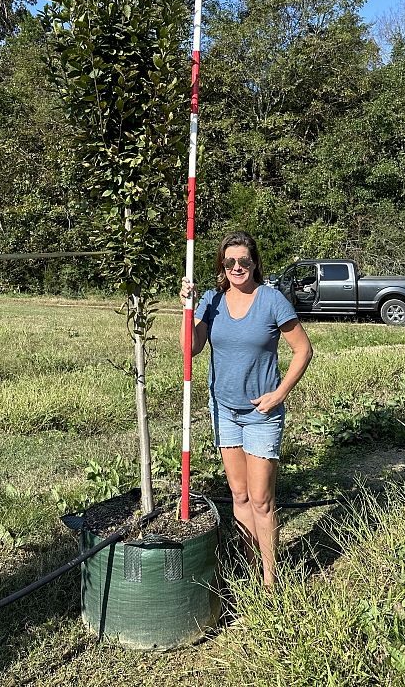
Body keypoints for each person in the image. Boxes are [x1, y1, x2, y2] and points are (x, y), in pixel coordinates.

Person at [179, 230, 313, 585]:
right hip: (224, 410)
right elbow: (189, 349)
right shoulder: (212, 300)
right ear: (222, 265)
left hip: (261, 414)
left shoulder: (271, 300)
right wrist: (187, 308)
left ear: (254, 263)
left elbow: (304, 349)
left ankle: (270, 580)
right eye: (230, 261)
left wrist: (280, 393)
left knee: (261, 501)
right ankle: (251, 568)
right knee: (238, 495)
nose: (237, 267)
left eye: (244, 261)